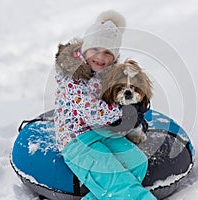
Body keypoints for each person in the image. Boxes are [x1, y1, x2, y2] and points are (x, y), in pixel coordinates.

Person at [54, 10, 157, 200]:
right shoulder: (72, 75)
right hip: (77, 139)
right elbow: (90, 112)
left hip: (103, 132)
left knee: (138, 164)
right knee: (118, 183)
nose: (100, 57)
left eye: (108, 52)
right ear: (85, 48)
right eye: (95, 49)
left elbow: (119, 91)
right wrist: (123, 112)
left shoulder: (107, 73)